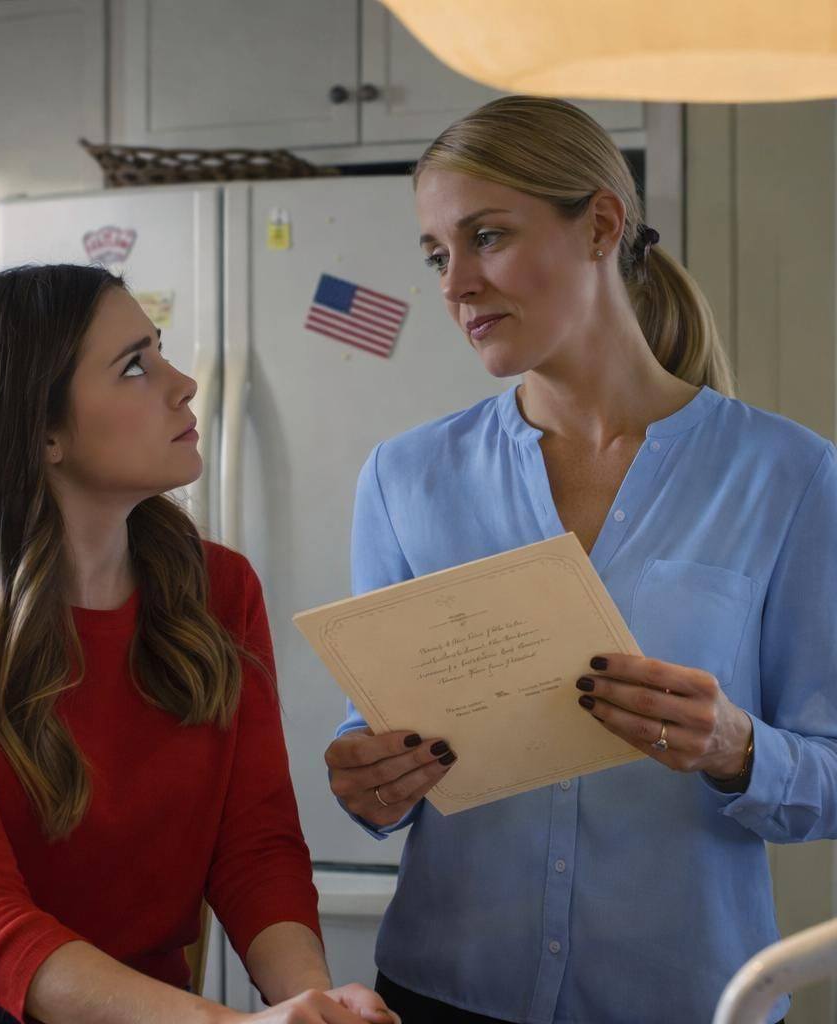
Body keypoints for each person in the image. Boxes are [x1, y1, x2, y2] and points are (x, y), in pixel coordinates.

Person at [325, 95, 836, 1024]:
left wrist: (737, 748)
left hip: (689, 1001)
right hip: (443, 995)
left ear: (601, 225)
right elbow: (382, 739)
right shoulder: (403, 479)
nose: (456, 284)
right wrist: (370, 778)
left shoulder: (790, 475)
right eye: (438, 255)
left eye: (486, 237)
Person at [0, 265, 396, 1024]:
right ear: (41, 432)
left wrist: (309, 998)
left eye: (160, 351)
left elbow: (255, 846)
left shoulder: (220, 590)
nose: (185, 384)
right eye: (135, 366)